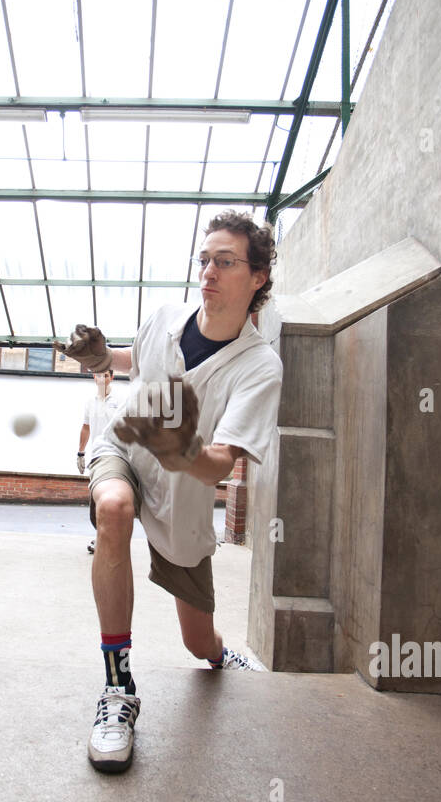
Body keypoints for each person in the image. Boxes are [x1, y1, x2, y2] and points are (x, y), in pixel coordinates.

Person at [57, 210, 283, 773]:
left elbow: (220, 467)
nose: (208, 271)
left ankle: (219, 653)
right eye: (204, 259)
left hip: (185, 492)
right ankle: (117, 691)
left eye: (225, 262)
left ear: (257, 278)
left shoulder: (260, 367)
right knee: (113, 509)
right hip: (124, 443)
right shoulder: (163, 317)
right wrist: (100, 358)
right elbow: (137, 360)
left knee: (196, 642)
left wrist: (182, 451)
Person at [78, 369, 122, 554]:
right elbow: (86, 428)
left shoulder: (120, 401)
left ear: (111, 377)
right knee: (95, 502)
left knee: (108, 500)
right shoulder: (90, 402)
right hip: (96, 459)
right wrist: (80, 453)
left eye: (105, 375)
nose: (102, 378)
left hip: (115, 458)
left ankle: (105, 540)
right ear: (93, 377)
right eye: (98, 375)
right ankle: (103, 537)